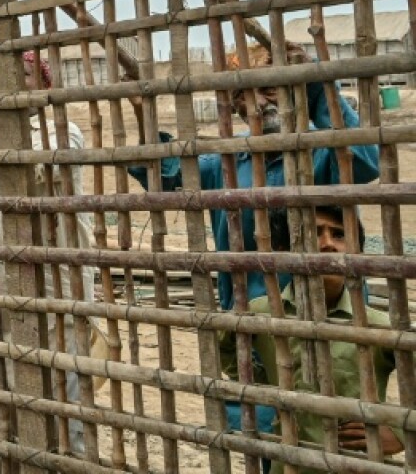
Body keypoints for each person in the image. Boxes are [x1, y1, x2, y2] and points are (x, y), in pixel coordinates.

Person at [126, 43, 380, 437]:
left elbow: (365, 162)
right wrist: (144, 113)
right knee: (262, 439)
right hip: (254, 335)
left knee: (332, 439)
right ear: (237, 106)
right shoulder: (223, 164)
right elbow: (162, 173)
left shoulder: (323, 152)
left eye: (272, 89)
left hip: (330, 329)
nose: (262, 103)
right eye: (248, 94)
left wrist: (317, 83)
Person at [0, 52, 106, 455]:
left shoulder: (62, 132)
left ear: (45, 85)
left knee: (61, 382)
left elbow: (40, 168)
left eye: (26, 74)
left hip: (52, 285)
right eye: (5, 75)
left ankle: (69, 459)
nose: (15, 81)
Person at [227, 206, 402, 471]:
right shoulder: (260, 313)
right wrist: (264, 385)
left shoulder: (378, 327)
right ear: (285, 251)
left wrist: (402, 432)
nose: (328, 243)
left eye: (339, 235)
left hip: (357, 465)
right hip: (288, 465)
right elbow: (224, 344)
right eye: (314, 233)